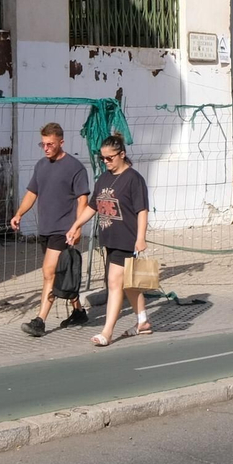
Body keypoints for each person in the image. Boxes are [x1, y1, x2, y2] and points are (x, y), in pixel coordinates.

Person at [67, 133, 150, 347]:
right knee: (127, 284)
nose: (106, 162)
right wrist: (76, 225)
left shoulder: (134, 179)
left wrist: (141, 238)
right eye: (102, 158)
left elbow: (142, 210)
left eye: (110, 158)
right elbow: (93, 207)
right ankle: (142, 321)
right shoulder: (103, 178)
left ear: (122, 154)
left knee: (114, 283)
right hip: (110, 238)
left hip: (127, 239)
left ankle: (107, 331)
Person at [10, 122, 90, 337]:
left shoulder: (75, 168)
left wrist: (78, 226)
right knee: (58, 272)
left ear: (61, 142)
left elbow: (83, 199)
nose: (46, 148)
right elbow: (31, 193)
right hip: (45, 228)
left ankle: (40, 320)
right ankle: (79, 311)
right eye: (43, 144)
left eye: (50, 144)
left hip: (64, 229)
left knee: (48, 272)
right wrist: (19, 214)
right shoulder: (41, 166)